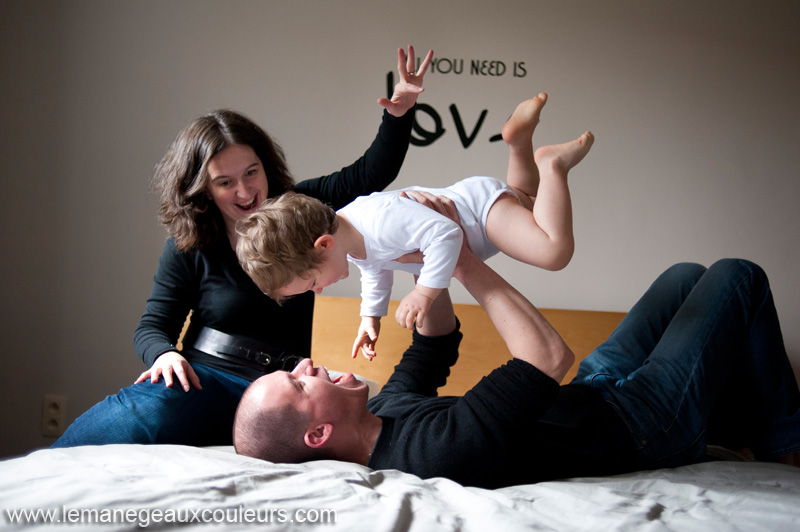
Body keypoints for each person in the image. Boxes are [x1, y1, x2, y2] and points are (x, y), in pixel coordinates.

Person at [233, 208, 800, 488]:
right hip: (638, 427)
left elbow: (433, 342)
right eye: (298, 382)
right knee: (737, 274)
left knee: (685, 275)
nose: (307, 364)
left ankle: (738, 426)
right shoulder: (428, 454)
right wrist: (462, 259)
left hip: (593, 397)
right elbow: (549, 357)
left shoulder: (383, 411)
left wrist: (421, 250)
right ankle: (785, 444)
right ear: (317, 436)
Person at [51, 45, 434, 448]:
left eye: (252, 172)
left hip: (278, 398)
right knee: (139, 415)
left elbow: (371, 173)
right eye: (225, 182)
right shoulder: (191, 242)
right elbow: (152, 326)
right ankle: (39, 476)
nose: (246, 190)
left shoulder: (300, 210)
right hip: (207, 378)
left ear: (266, 165)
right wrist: (163, 355)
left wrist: (399, 112)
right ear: (203, 189)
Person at [236, 93, 594, 359]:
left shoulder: (379, 221)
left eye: (312, 283)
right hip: (480, 212)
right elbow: (376, 273)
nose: (318, 291)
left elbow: (446, 234)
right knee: (529, 200)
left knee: (553, 252)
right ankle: (519, 143)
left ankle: (552, 165)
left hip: (479, 212)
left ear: (323, 245)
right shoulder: (352, 238)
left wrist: (424, 292)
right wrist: (370, 318)